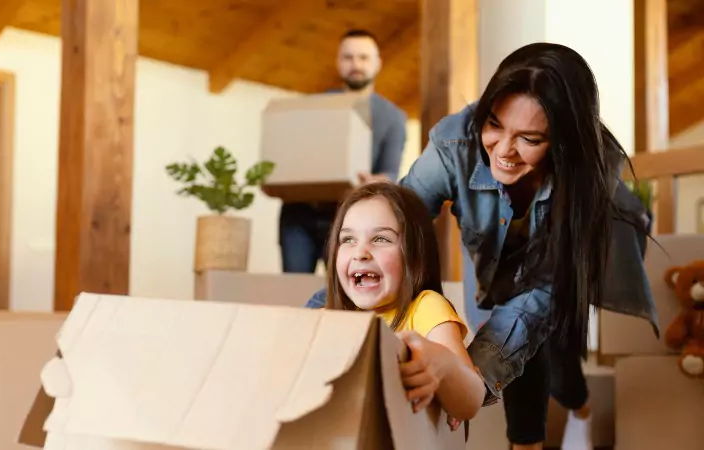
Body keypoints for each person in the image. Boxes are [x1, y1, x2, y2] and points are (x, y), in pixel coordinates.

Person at [305, 42, 658, 450]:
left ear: (562, 143)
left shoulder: (594, 192)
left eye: (529, 138)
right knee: (503, 339)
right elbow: (392, 226)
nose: (504, 151)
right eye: (494, 125)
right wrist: (320, 320)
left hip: (567, 264)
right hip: (497, 255)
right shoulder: (454, 143)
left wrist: (463, 379)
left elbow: (529, 313)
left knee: (555, 354)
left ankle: (579, 411)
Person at [324, 181, 485, 421]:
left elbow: (471, 399)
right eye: (347, 240)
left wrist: (444, 368)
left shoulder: (425, 307)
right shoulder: (332, 319)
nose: (360, 252)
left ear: (414, 253)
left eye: (380, 239)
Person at [279, 29, 407, 273]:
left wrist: (373, 183)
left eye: (363, 57)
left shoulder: (393, 117)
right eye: (348, 58)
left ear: (377, 64)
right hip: (299, 215)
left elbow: (389, 172)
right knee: (295, 297)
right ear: (338, 62)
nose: (355, 64)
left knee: (344, 298)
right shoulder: (312, 107)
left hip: (348, 219)